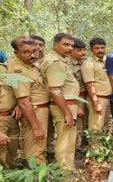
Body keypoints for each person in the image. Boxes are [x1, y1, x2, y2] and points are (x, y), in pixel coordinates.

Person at [8, 36, 50, 165]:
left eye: (35, 51)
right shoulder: (18, 70)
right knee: (37, 145)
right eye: (26, 52)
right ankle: (38, 176)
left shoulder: (30, 65)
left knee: (35, 144)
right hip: (35, 111)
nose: (32, 55)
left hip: (39, 109)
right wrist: (36, 127)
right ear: (16, 53)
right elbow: (24, 102)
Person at [41, 33, 79, 169]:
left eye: (72, 46)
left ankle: (68, 164)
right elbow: (55, 89)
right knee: (65, 139)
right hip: (64, 106)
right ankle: (65, 170)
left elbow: (62, 82)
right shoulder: (54, 62)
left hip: (68, 105)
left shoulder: (61, 61)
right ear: (55, 45)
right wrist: (67, 112)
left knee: (68, 138)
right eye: (66, 44)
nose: (69, 48)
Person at [82, 37, 113, 135]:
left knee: (104, 125)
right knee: (95, 127)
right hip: (98, 98)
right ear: (91, 49)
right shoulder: (88, 63)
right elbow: (88, 84)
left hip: (108, 98)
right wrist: (95, 103)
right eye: (97, 48)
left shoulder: (107, 61)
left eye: (102, 48)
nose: (100, 50)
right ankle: (95, 149)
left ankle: (102, 149)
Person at [0, 63, 21, 169]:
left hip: (11, 115)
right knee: (1, 148)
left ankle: (10, 169)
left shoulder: (5, 68)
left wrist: (18, 104)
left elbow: (13, 90)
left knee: (13, 145)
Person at [68, 38, 88, 146]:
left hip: (88, 97)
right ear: (72, 50)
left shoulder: (87, 62)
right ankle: (74, 149)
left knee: (87, 123)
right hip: (76, 98)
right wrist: (76, 104)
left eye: (84, 50)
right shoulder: (67, 64)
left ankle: (85, 146)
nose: (83, 52)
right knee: (76, 125)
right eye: (79, 50)